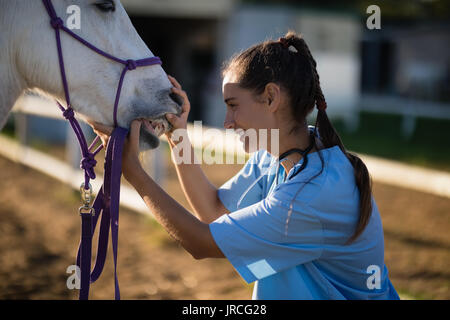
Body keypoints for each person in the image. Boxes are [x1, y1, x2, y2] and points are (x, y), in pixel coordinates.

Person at [89, 31, 400, 300]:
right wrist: (177, 135)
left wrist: (135, 174)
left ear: (270, 97)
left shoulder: (310, 194)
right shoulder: (282, 154)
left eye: (233, 106)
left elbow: (201, 242)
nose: (227, 122)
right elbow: (212, 211)